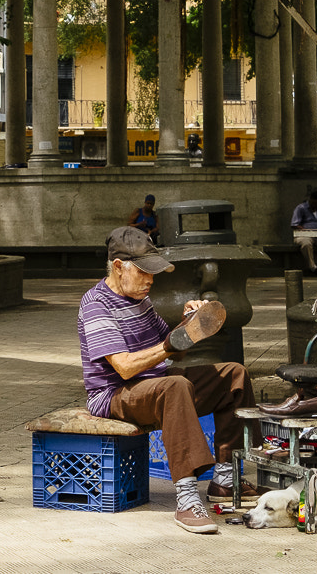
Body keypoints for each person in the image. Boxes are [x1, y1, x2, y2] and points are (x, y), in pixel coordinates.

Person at [78, 227, 258, 534]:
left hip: (156, 385)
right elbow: (123, 368)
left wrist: (189, 325)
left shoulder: (140, 299)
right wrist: (170, 345)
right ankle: (187, 499)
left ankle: (225, 480)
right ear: (119, 267)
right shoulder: (97, 304)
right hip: (114, 395)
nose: (150, 280)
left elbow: (174, 354)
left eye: (153, 274)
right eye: (143, 273)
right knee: (175, 386)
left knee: (234, 375)